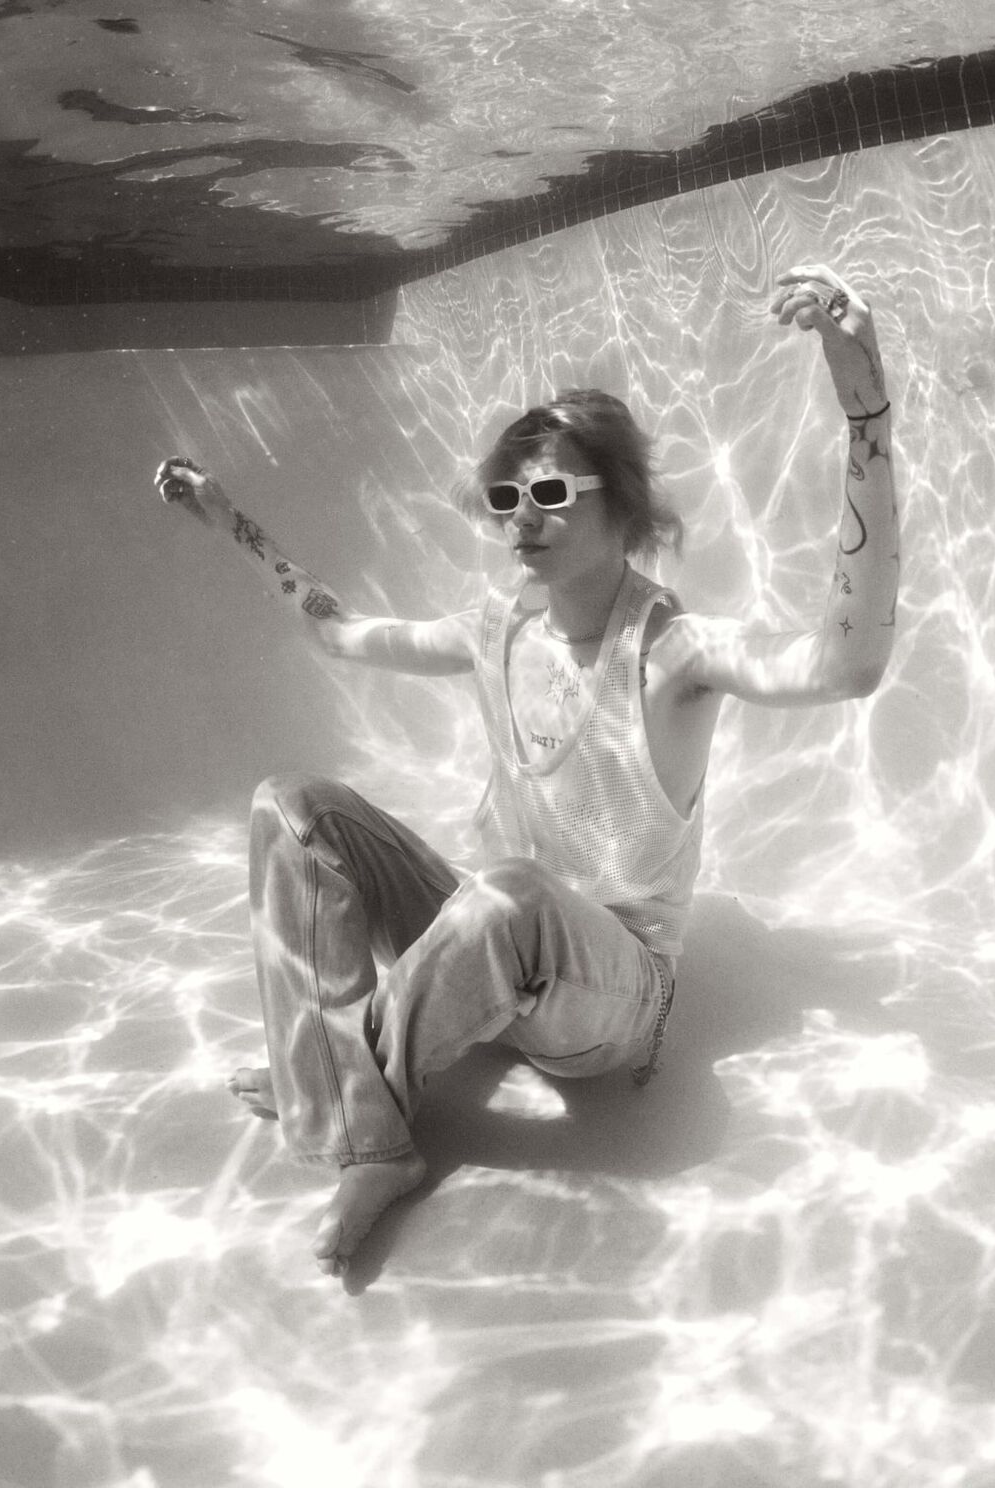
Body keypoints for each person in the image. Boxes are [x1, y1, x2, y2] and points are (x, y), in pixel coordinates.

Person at [153, 264, 898, 1281]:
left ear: (624, 508)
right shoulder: (492, 628)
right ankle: (346, 1086)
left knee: (507, 897)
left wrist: (866, 413)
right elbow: (338, 634)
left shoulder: (672, 652)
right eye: (505, 497)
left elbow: (846, 665)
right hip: (487, 938)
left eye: (551, 492)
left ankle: (344, 1105)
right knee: (293, 808)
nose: (521, 518)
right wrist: (229, 521)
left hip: (613, 1005)